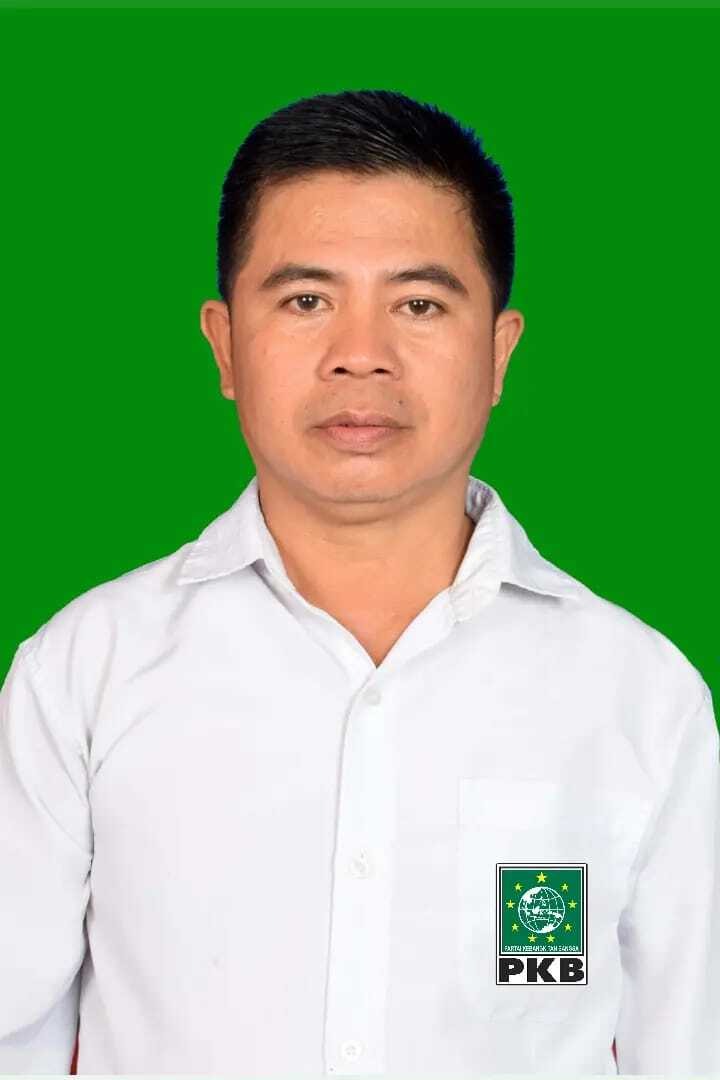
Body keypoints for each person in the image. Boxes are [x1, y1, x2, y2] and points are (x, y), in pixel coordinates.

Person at [1, 88, 718, 1077]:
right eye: (306, 301)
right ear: (224, 343)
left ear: (500, 351)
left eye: (419, 304)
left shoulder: (641, 696)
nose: (360, 358)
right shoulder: (83, 674)